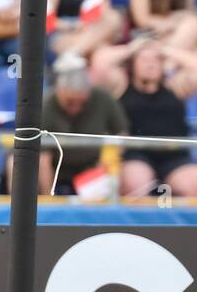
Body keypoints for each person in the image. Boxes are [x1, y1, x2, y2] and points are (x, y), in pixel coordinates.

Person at [116, 40, 197, 197]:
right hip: (136, 154)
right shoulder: (121, 86)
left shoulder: (175, 86)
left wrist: (164, 49)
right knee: (135, 182)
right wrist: (133, 48)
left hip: (174, 154)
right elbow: (100, 63)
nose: (150, 64)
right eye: (144, 59)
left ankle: (179, 220)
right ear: (133, 64)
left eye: (156, 60)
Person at [34, 52, 129, 196]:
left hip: (92, 168)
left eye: (81, 103)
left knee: (123, 169)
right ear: (59, 91)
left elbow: (121, 133)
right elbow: (44, 158)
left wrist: (108, 159)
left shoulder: (103, 98)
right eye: (71, 102)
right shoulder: (46, 104)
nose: (76, 107)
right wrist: (49, 198)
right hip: (56, 169)